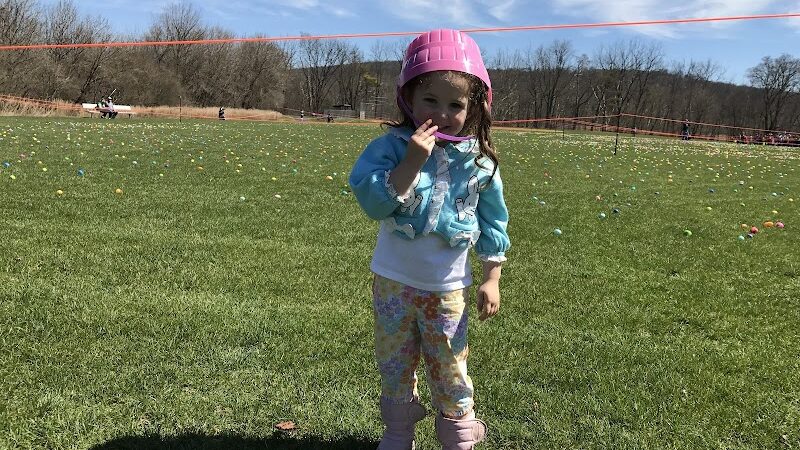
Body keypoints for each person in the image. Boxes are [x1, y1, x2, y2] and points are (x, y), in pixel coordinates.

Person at [349, 29, 509, 450]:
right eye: (430, 101)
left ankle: (457, 434)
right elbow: (374, 203)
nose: (441, 113)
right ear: (408, 99)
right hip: (393, 284)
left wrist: (491, 276)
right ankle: (399, 431)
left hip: (447, 290)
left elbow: (495, 221)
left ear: (474, 108)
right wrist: (412, 161)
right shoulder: (390, 147)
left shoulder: (478, 162)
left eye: (455, 104)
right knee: (395, 362)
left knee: (450, 366)